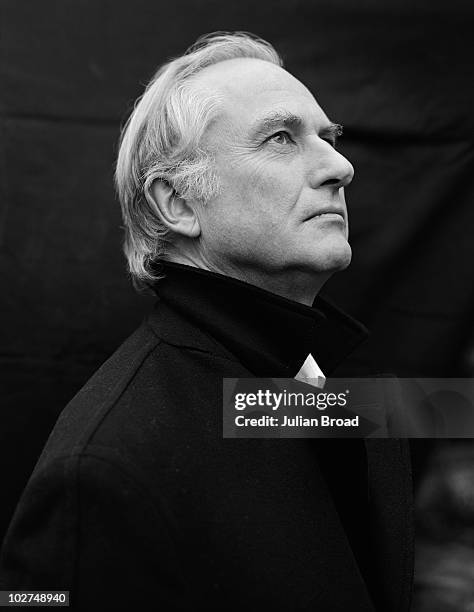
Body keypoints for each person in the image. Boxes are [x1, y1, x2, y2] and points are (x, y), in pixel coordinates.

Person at [0, 32, 413, 611]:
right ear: (179, 204)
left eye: (328, 137)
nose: (340, 166)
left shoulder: (309, 383)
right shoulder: (103, 469)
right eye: (280, 139)